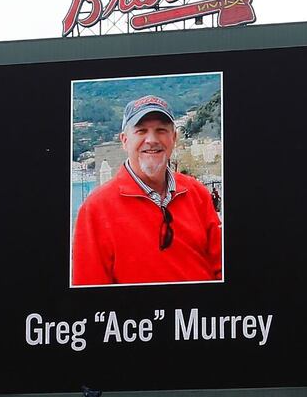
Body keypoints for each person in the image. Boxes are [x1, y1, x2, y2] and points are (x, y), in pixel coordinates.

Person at [72, 95, 222, 286]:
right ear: (125, 141)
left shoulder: (197, 193)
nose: (152, 140)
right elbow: (89, 292)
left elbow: (221, 268)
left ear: (173, 138)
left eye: (161, 130)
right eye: (141, 131)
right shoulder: (95, 210)